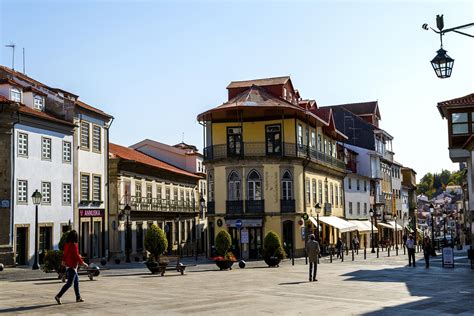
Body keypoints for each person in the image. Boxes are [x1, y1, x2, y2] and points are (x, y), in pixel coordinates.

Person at [55, 230, 88, 304]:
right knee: (69, 283)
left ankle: (78, 297)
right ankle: (58, 296)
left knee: (76, 282)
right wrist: (83, 263)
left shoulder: (67, 244)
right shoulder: (74, 245)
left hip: (68, 265)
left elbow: (64, 254)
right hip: (72, 266)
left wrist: (63, 261)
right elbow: (76, 256)